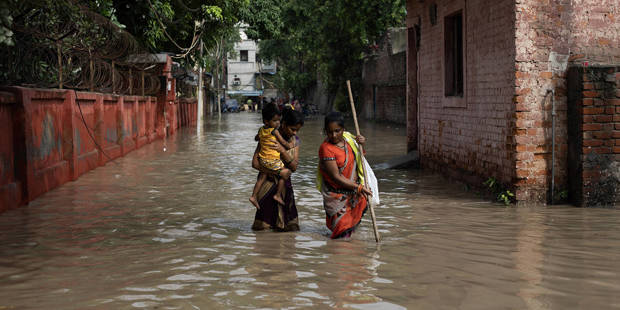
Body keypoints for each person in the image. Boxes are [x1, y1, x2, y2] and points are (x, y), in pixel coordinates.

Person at [317, 112, 372, 239]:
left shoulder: (349, 141)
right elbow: (336, 177)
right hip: (336, 196)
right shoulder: (326, 148)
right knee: (341, 237)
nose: (334, 135)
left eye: (337, 131)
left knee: (350, 234)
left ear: (343, 129)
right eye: (330, 132)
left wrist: (361, 144)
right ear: (325, 131)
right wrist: (359, 187)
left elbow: (359, 159)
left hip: (352, 194)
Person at [252, 108, 305, 231]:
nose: (295, 133)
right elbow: (255, 163)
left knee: (290, 228)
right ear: (284, 124)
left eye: (297, 130)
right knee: (263, 228)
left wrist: (282, 151)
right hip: (267, 185)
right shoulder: (269, 136)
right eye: (292, 129)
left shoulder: (295, 141)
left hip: (284, 187)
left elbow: (294, 167)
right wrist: (278, 172)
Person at [250, 104, 295, 209]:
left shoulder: (261, 130)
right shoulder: (274, 131)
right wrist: (290, 145)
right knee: (285, 173)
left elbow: (256, 138)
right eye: (275, 121)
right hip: (272, 161)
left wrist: (262, 138)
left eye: (279, 120)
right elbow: (283, 142)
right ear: (266, 121)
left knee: (262, 177)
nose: (278, 123)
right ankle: (278, 195)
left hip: (262, 160)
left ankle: (253, 196)